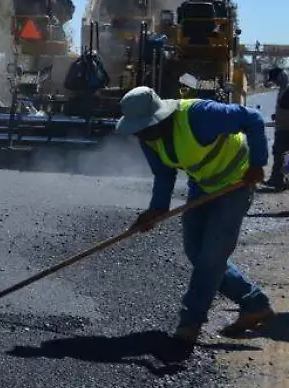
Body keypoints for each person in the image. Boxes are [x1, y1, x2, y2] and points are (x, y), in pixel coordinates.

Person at [117, 86, 274, 346]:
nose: (142, 134)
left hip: (237, 183)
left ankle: (190, 322)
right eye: (138, 130)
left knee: (211, 257)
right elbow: (164, 174)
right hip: (202, 186)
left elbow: (252, 119)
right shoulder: (148, 138)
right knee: (196, 252)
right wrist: (156, 210)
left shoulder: (200, 115)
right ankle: (254, 302)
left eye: (146, 127)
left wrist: (258, 163)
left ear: (161, 116)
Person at [264, 67, 289, 191]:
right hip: (282, 127)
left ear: (280, 77)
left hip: (285, 129)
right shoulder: (283, 89)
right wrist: (277, 115)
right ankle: (278, 179)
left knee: (280, 154)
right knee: (281, 155)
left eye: (275, 80)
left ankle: (279, 180)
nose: (275, 82)